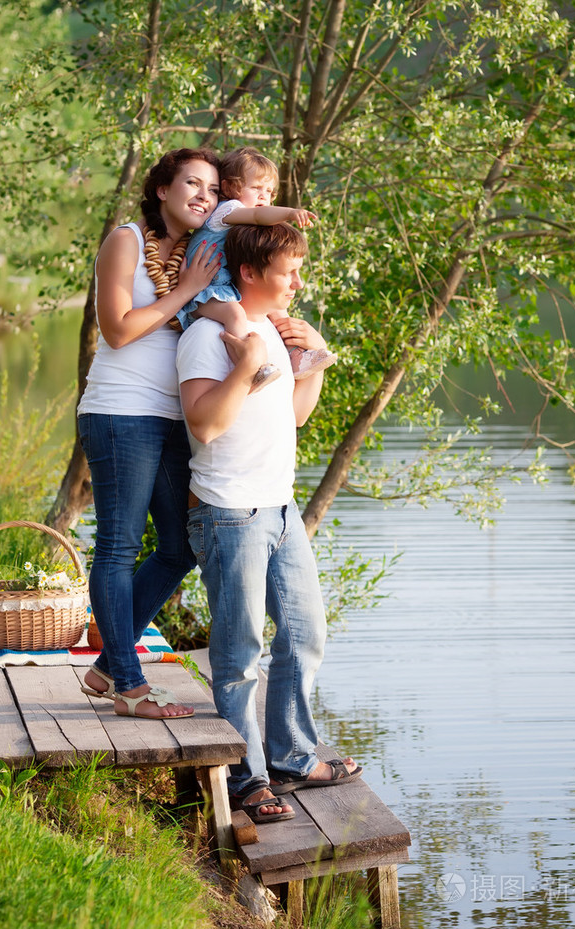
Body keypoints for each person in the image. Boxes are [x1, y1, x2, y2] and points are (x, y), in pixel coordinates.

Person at [177, 221, 361, 824]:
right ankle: (244, 775)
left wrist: (315, 360)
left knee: (306, 634)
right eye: (288, 272)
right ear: (250, 273)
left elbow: (296, 415)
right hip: (230, 511)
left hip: (280, 509)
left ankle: (291, 756)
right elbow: (204, 425)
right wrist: (248, 362)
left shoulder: (273, 334)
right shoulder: (208, 336)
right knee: (237, 654)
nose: (298, 283)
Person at [77, 148, 222, 720]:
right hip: (120, 413)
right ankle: (130, 688)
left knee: (181, 545)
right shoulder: (127, 241)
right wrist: (185, 291)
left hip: (171, 419)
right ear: (162, 188)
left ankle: (109, 664)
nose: (202, 196)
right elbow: (116, 331)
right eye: (192, 182)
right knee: (118, 544)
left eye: (211, 189)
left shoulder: (204, 254)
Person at [175, 146, 337, 389]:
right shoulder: (227, 210)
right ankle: (248, 368)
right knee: (235, 315)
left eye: (270, 192)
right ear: (230, 188)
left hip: (224, 286)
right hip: (204, 291)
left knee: (279, 312)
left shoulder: (241, 220)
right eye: (257, 189)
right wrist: (291, 213)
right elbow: (261, 217)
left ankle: (296, 355)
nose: (264, 197)